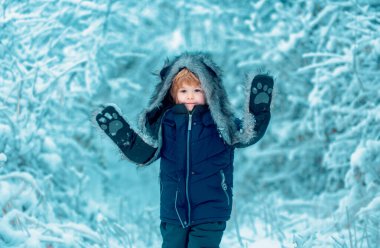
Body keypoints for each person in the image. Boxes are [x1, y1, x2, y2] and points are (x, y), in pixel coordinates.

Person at [95, 52, 273, 247]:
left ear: (210, 92)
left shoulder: (221, 123)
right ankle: (124, 135)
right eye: (183, 91)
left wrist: (258, 111)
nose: (190, 95)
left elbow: (247, 135)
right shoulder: (165, 123)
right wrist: (124, 137)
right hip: (173, 209)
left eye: (197, 90)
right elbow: (146, 154)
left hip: (210, 208)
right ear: (172, 94)